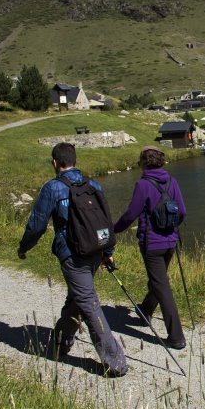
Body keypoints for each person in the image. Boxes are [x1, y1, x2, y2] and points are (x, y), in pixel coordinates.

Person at [17, 142, 128, 377]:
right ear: (75, 160)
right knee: (77, 299)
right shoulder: (93, 184)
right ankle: (60, 343)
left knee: (87, 301)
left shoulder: (52, 188)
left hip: (72, 255)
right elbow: (104, 221)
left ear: (55, 163)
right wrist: (107, 253)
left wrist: (23, 247)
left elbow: (37, 224)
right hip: (95, 250)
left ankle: (115, 362)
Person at [114, 145, 187, 350]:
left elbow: (130, 215)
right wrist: (171, 230)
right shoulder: (172, 181)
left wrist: (113, 229)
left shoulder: (143, 184)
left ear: (144, 163)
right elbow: (182, 212)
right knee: (159, 280)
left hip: (151, 245)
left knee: (161, 286)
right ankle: (145, 310)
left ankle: (176, 337)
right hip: (171, 242)